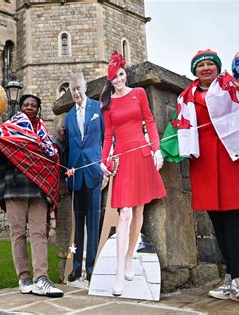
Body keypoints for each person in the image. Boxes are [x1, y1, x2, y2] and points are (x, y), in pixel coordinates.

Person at [161, 49, 239, 308]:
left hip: (234, 162)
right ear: (195, 71)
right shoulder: (186, 98)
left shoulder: (235, 89)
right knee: (219, 226)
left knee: (236, 223)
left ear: (217, 68)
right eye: (200, 65)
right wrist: (160, 150)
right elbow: (176, 129)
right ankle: (230, 278)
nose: (205, 68)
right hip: (205, 167)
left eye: (210, 64)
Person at [0, 94, 64, 298]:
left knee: (39, 232)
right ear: (20, 107)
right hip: (14, 186)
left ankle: (41, 278)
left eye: (33, 105)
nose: (29, 107)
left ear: (38, 109)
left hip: (38, 188)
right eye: (25, 104)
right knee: (18, 233)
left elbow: (52, 155)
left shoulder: (43, 133)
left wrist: (60, 143)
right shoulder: (8, 128)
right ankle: (24, 278)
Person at [99, 50, 166, 296]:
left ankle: (129, 256)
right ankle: (118, 271)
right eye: (114, 77)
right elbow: (108, 136)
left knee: (139, 209)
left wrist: (157, 150)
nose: (118, 80)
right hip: (123, 158)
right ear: (109, 80)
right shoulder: (108, 105)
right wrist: (103, 160)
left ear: (125, 74)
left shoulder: (138, 94)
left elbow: (149, 122)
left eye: (121, 74)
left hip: (142, 154)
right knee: (124, 212)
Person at [61, 72, 105, 283]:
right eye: (73, 90)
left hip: (95, 172)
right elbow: (68, 146)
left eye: (79, 88)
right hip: (76, 175)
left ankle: (92, 266)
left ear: (85, 87)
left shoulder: (98, 108)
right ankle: (77, 267)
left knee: (94, 222)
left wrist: (104, 167)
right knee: (77, 224)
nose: (76, 93)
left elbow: (106, 138)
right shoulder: (68, 116)